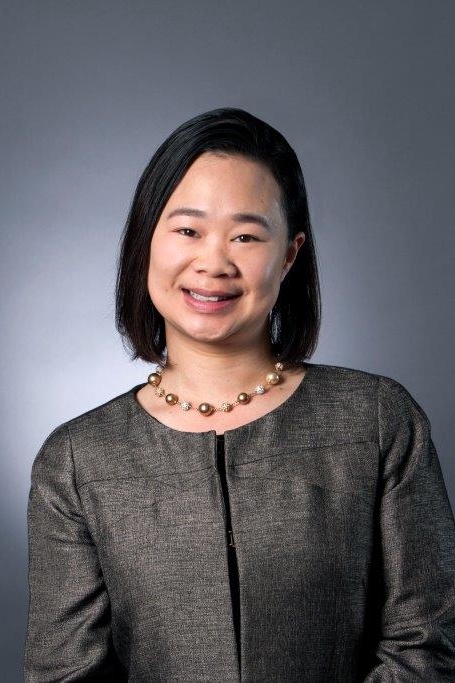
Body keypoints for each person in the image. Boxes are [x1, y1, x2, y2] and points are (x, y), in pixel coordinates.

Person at [24, 107, 455, 682]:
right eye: (188, 230)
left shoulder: (378, 420)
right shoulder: (77, 459)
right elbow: (63, 673)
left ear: (290, 254)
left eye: (246, 236)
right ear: (146, 240)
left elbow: (426, 646)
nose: (213, 263)